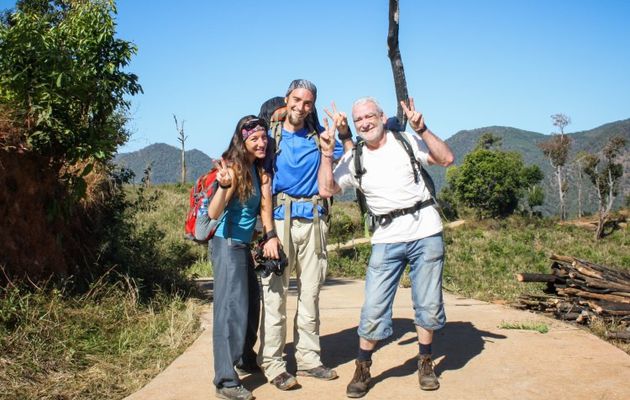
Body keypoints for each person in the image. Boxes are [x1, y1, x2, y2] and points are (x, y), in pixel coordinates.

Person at [318, 96, 454, 398]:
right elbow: (326, 189)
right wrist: (327, 155)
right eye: (359, 120)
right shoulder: (355, 158)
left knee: (428, 303)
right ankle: (363, 367)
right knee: (374, 306)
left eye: (370, 116)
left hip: (426, 232)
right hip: (386, 238)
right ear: (355, 126)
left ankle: (425, 362)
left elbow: (446, 159)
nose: (365, 123)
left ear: (382, 116)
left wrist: (424, 129)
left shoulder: (406, 141)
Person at [257, 79, 353, 391]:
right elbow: (260, 185)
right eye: (296, 99)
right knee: (275, 297)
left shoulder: (319, 137)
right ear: (286, 100)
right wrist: (267, 234)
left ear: (312, 106)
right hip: (279, 223)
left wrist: (342, 131)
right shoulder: (270, 138)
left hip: (313, 220)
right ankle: (272, 363)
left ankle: (309, 359)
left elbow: (351, 158)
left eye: (307, 102)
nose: (301, 107)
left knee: (310, 294)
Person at [209, 115, 279, 400]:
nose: (261, 142)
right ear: (243, 141)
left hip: (242, 247)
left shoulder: (257, 168)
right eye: (255, 139)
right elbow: (214, 213)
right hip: (227, 245)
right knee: (229, 313)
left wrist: (268, 237)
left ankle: (244, 358)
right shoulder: (235, 169)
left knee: (251, 305)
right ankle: (225, 381)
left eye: (264, 137)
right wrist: (224, 186)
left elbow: (262, 210)